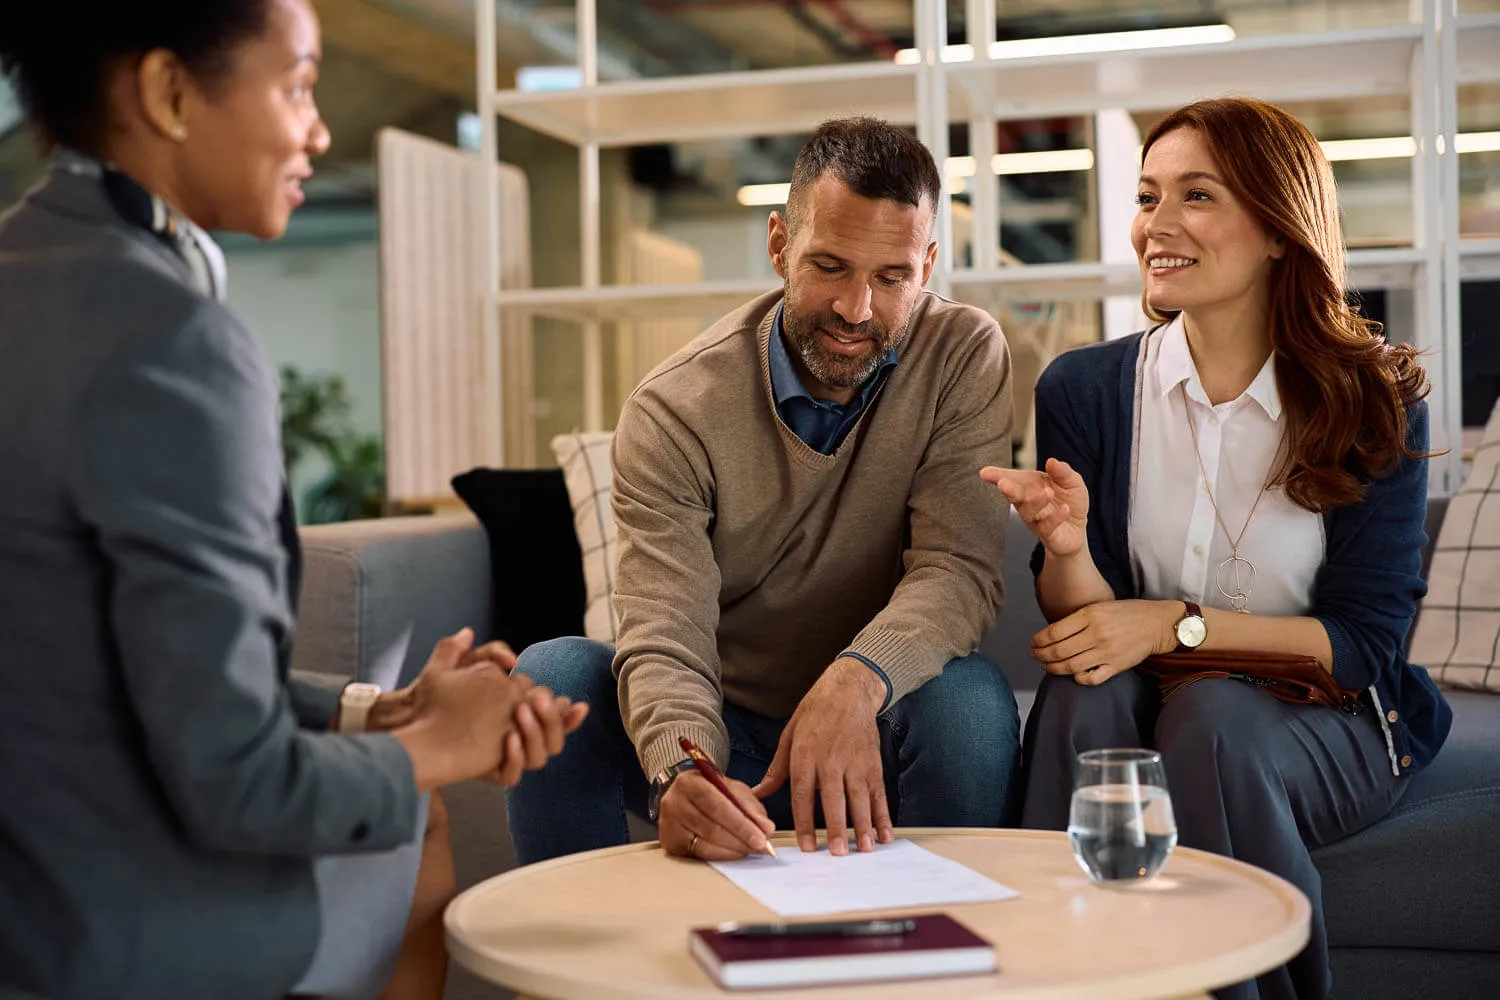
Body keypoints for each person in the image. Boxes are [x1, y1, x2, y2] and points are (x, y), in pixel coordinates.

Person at [0, 4, 587, 999]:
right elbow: (236, 781)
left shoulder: (29, 270)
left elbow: (104, 668)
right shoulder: (171, 339)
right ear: (168, 92)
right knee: (424, 818)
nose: (319, 130)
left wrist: (380, 712)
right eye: (299, 84)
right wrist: (440, 743)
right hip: (114, 935)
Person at [982, 98, 1452, 1000]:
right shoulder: (1086, 388)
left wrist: (1173, 627)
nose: (1157, 225)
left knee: (1211, 722)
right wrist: (1070, 551)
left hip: (1319, 713)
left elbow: (1361, 647)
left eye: (1196, 196)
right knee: (1085, 704)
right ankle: (1055, 980)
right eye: (1148, 196)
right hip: (1139, 700)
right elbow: (1091, 632)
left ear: (1279, 227)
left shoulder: (1372, 400)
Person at [505, 116, 1021, 869]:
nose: (857, 310)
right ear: (779, 245)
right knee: (549, 678)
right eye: (831, 266)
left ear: (929, 264)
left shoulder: (964, 356)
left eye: (891, 278)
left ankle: (952, 959)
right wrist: (685, 768)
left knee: (969, 703)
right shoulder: (674, 408)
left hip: (874, 720)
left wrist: (855, 682)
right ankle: (585, 972)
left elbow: (958, 572)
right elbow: (665, 626)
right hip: (729, 738)